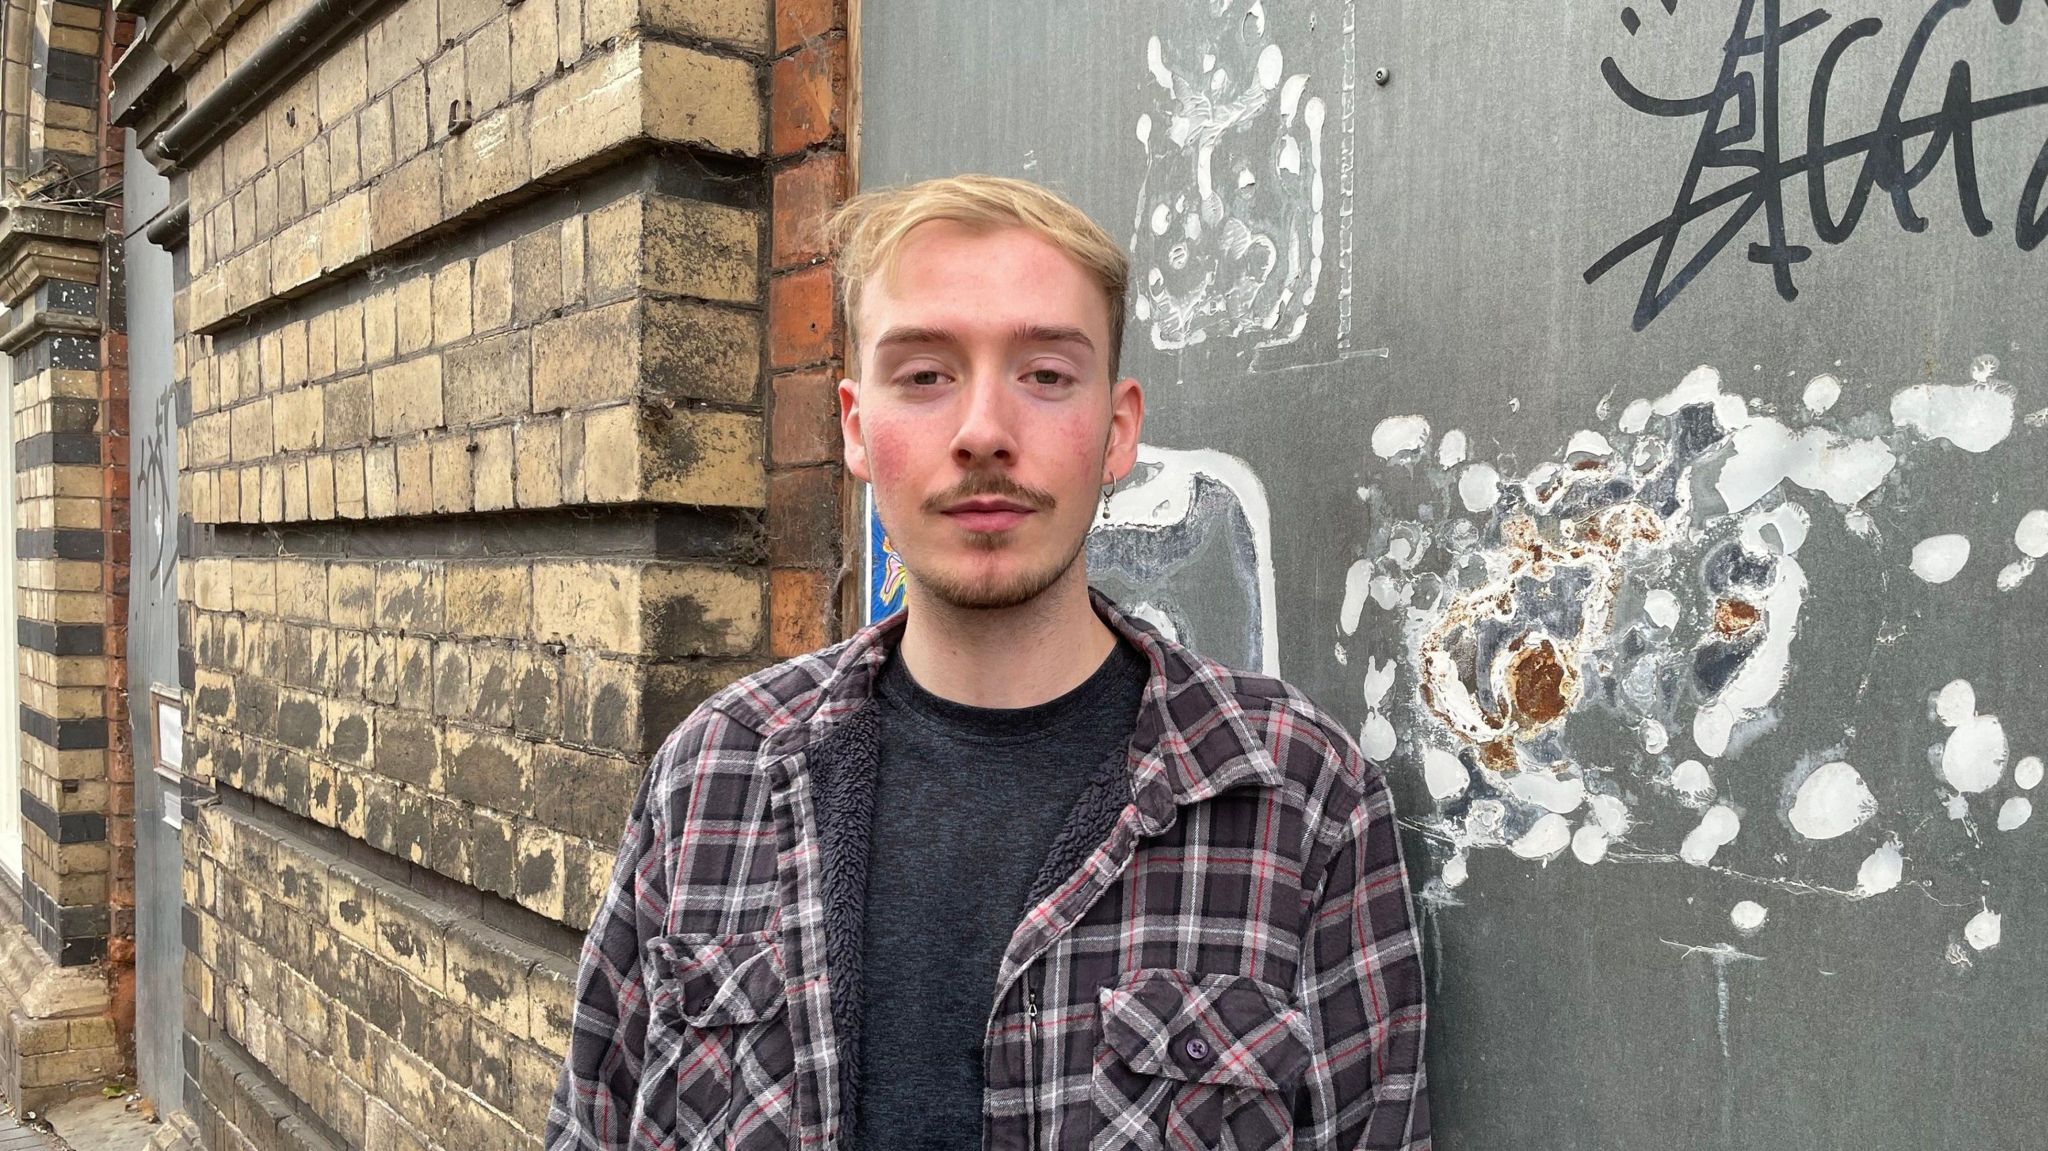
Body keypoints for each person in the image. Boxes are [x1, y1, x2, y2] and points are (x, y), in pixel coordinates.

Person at [544, 174, 1430, 1151]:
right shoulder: (710, 775)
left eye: (1045, 373)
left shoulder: (1296, 794)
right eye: (923, 374)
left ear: (1116, 426)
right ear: (852, 426)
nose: (980, 432)